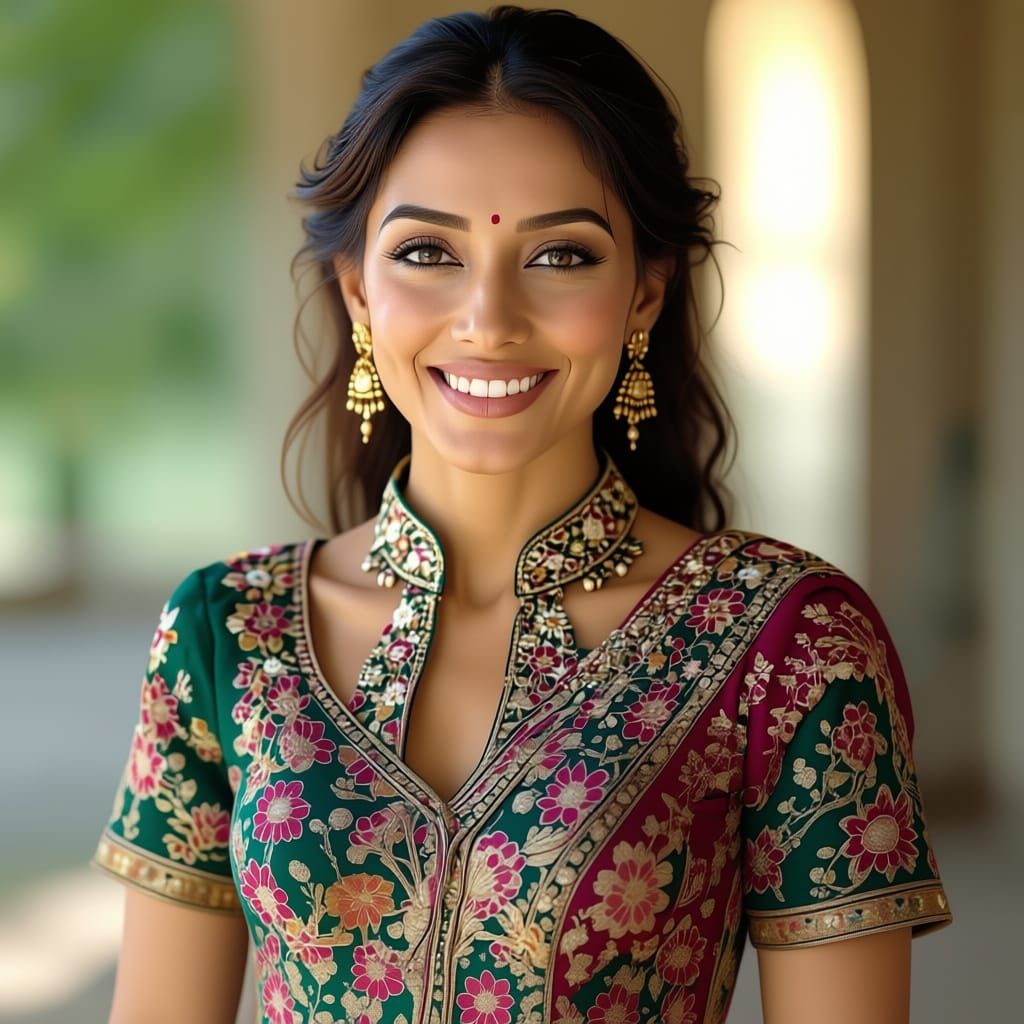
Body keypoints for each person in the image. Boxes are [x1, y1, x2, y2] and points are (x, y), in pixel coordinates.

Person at [91, 6, 952, 1023]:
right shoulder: (229, 634)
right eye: (427, 252)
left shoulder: (790, 646)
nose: (489, 319)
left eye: (561, 256)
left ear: (645, 293)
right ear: (357, 289)